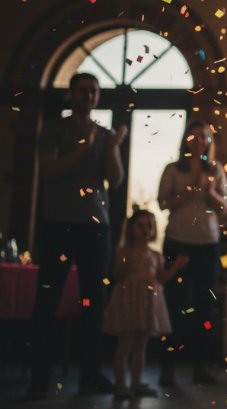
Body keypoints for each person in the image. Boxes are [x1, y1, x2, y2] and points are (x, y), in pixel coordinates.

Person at [27, 72, 127, 399]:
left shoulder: (104, 133)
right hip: (58, 225)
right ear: (71, 95)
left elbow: (114, 180)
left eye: (93, 91)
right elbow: (50, 170)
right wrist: (84, 149)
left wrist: (110, 148)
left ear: (98, 96)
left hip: (95, 228)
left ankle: (91, 375)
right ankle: (39, 379)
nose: (88, 95)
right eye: (82, 90)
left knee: (93, 303)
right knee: (47, 300)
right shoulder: (55, 129)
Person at [158, 119, 227, 386]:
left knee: (205, 308)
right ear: (186, 140)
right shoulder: (173, 170)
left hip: (207, 246)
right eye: (195, 136)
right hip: (178, 243)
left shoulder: (217, 169)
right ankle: (167, 367)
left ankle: (201, 366)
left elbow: (225, 208)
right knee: (173, 306)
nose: (199, 140)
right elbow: (163, 202)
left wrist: (210, 192)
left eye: (205, 136)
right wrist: (190, 189)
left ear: (209, 141)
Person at [103, 209, 189, 400]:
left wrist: (176, 266)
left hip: (148, 301)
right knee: (125, 344)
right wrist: (124, 261)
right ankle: (120, 385)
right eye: (140, 226)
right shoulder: (123, 251)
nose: (145, 230)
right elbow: (117, 275)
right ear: (131, 229)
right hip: (130, 300)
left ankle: (136, 382)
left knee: (141, 345)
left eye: (149, 226)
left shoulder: (156, 254)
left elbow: (161, 277)